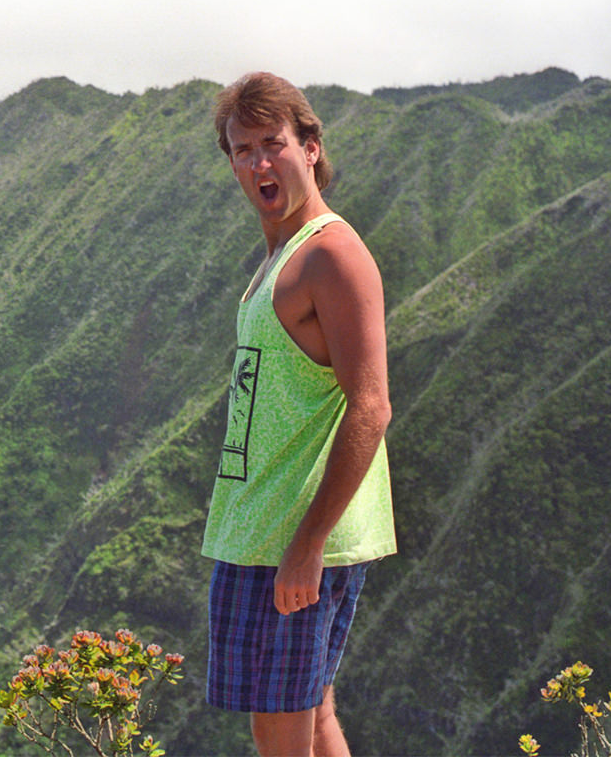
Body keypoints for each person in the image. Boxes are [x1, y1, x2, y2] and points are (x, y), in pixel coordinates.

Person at [201, 72, 397, 757]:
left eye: (273, 144)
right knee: (312, 722)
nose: (259, 162)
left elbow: (370, 408)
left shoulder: (332, 254)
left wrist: (308, 545)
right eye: (242, 149)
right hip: (262, 529)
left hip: (293, 536)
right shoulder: (282, 254)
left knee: (278, 734)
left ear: (309, 147)